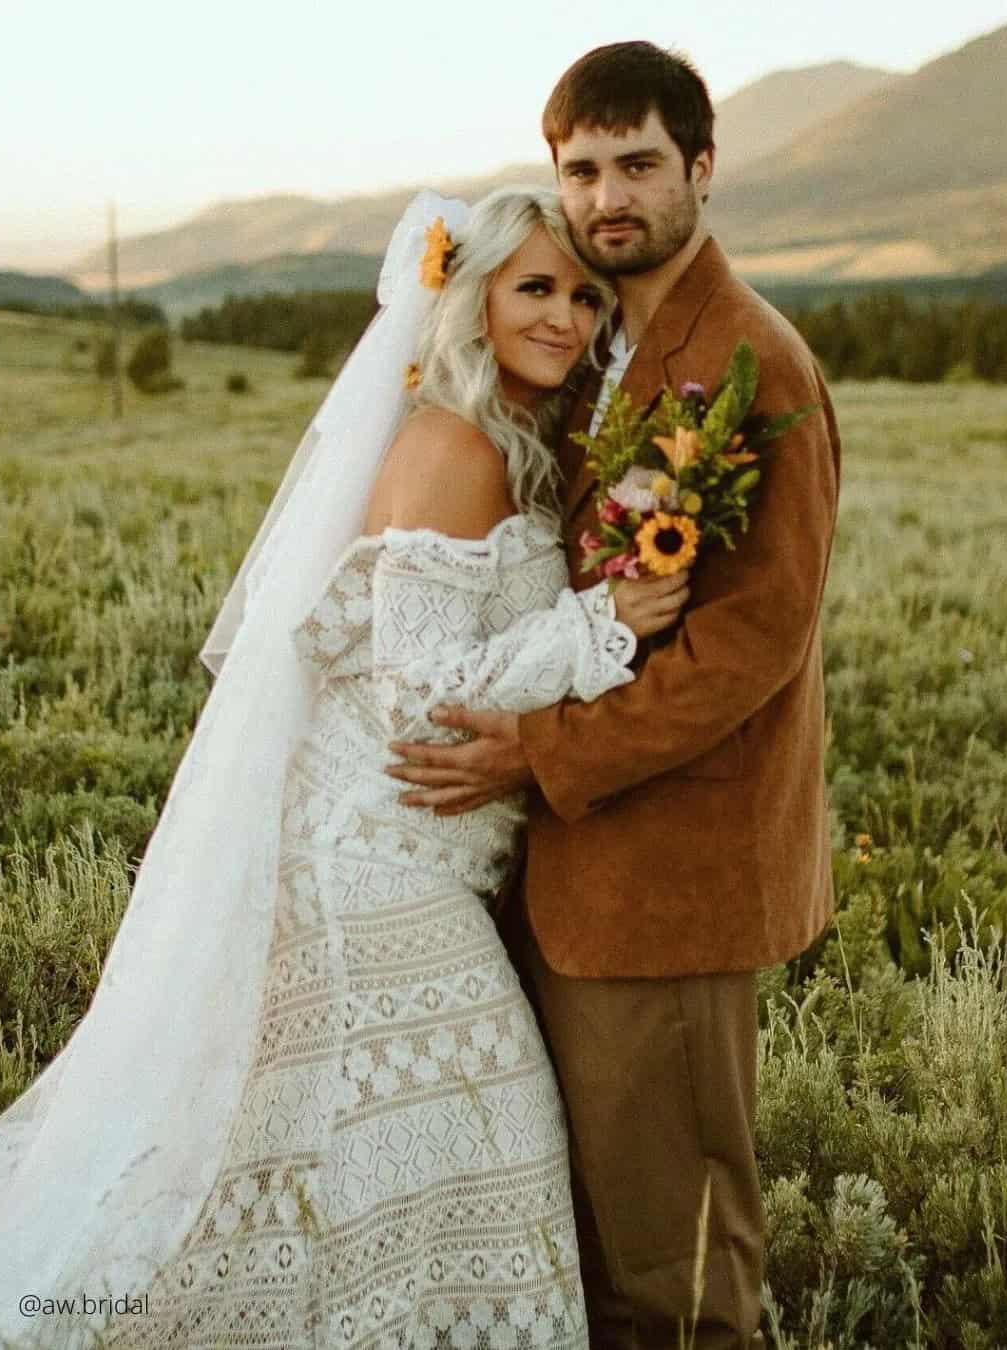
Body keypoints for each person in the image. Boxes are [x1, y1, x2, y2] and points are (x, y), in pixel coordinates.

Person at [0, 187, 692, 1350]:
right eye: (535, 289)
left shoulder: (510, 446)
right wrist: (601, 626)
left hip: (421, 858)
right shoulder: (450, 445)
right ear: (471, 301)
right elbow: (418, 686)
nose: (566, 316)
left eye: (583, 295)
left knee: (341, 1142)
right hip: (372, 864)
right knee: (487, 1128)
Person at [386, 43, 843, 1350]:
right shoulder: (589, 342)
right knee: (587, 1249)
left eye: (637, 161)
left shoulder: (758, 364)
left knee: (679, 1272)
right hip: (561, 878)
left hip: (669, 882)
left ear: (702, 166)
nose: (606, 195)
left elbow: (747, 648)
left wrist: (535, 749)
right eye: (580, 168)